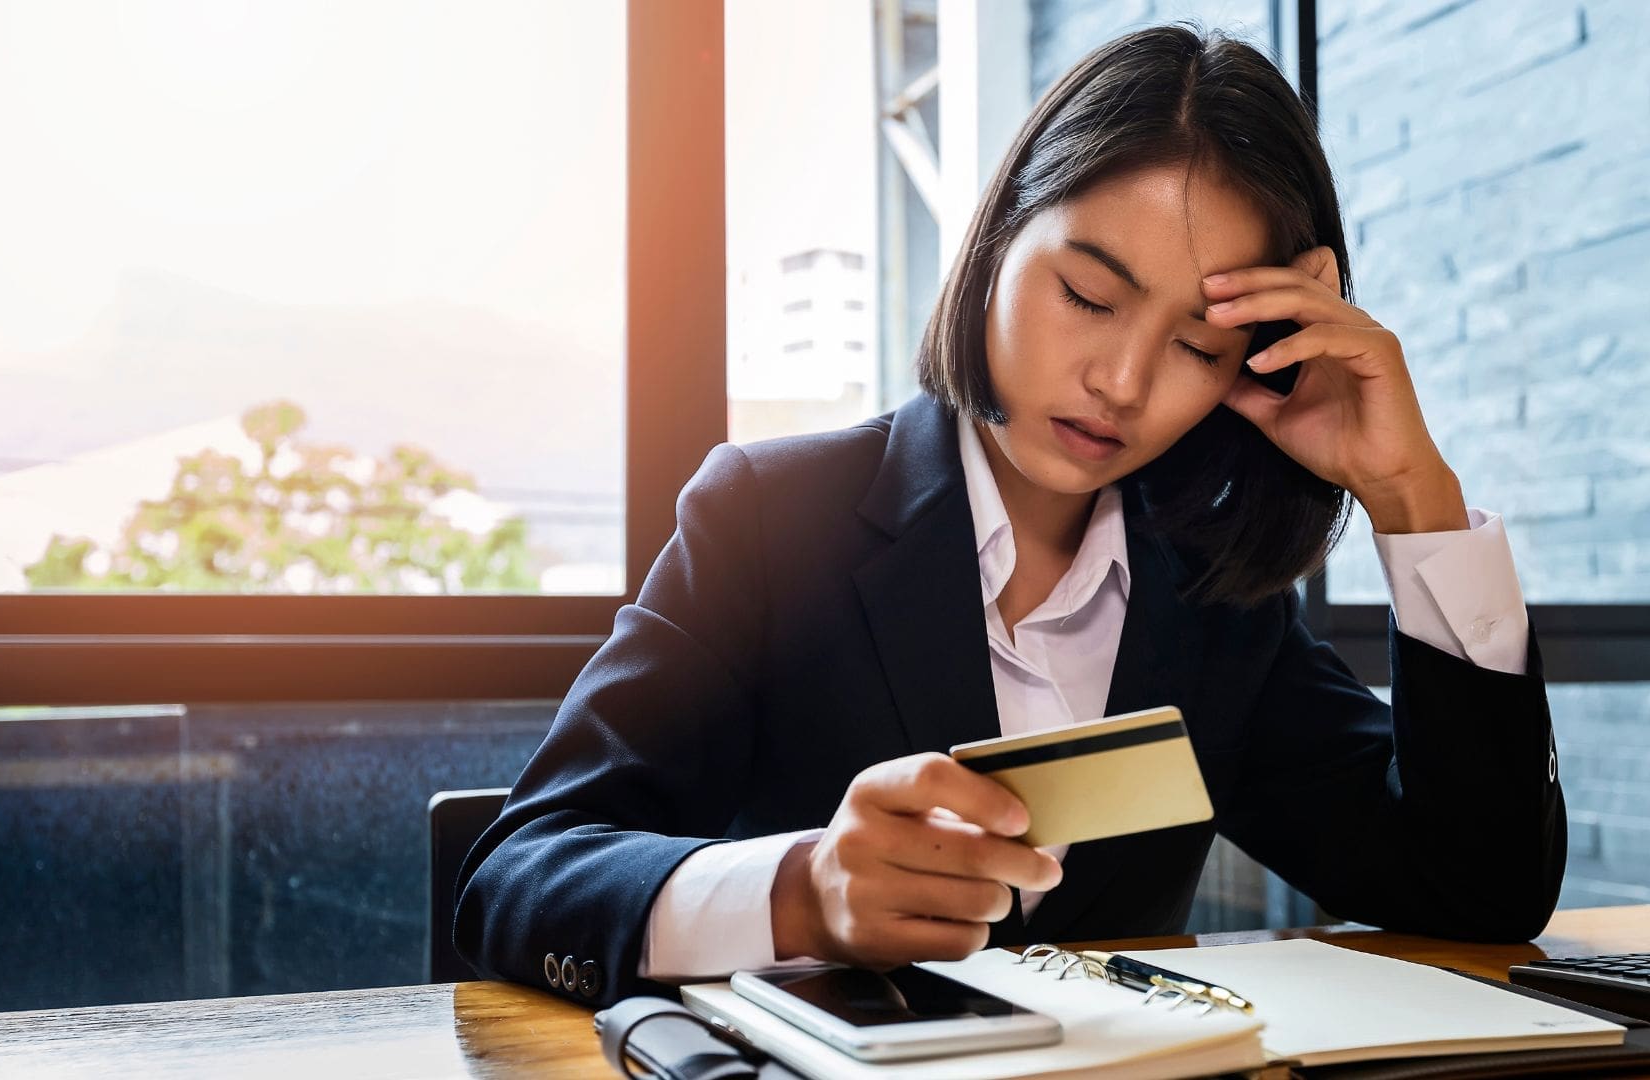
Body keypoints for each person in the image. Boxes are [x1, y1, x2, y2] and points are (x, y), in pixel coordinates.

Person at [452, 21, 1564, 1006]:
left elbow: (1479, 887)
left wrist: (1411, 495)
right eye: (1087, 295)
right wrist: (799, 893)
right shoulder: (771, 518)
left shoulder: (1209, 601)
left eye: (1196, 345)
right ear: (997, 240)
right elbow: (515, 875)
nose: (1122, 383)